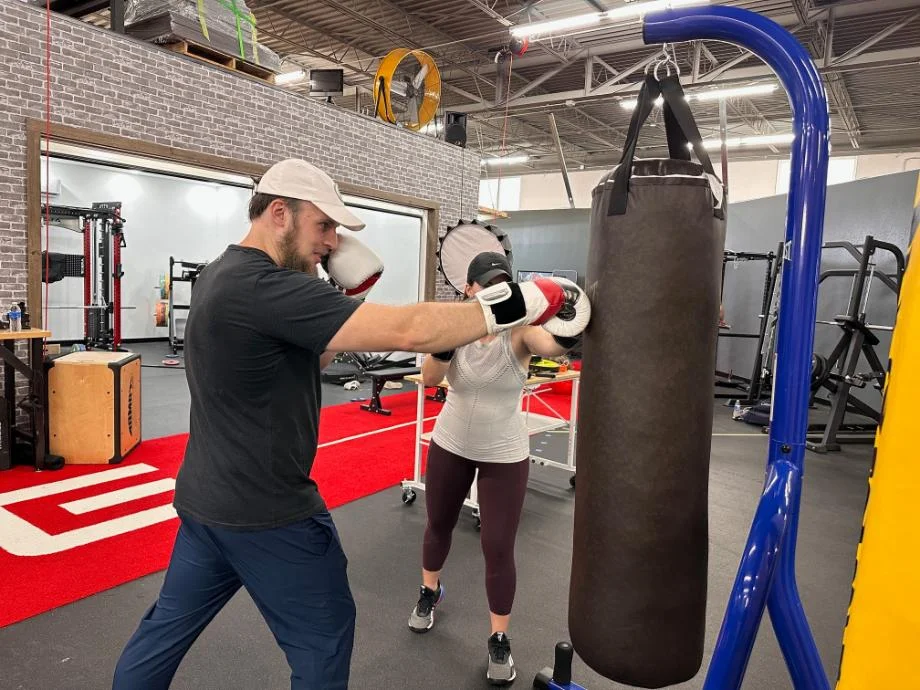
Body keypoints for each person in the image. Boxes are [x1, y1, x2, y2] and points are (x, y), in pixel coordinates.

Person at [111, 158, 583, 690]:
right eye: (324, 226)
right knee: (325, 638)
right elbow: (410, 330)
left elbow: (303, 362)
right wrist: (523, 300)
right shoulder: (268, 288)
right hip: (270, 514)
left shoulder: (222, 272)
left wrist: (340, 302)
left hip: (206, 504)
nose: (333, 242)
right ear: (280, 214)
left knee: (162, 634)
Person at [407, 251, 589, 686]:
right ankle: (429, 591)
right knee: (438, 525)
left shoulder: (521, 332)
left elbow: (557, 345)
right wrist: (446, 341)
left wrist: (575, 311)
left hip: (504, 452)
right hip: (451, 442)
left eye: (500, 282)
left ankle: (499, 638)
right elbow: (431, 378)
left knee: (498, 545)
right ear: (470, 289)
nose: (492, 289)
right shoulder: (456, 328)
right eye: (485, 283)